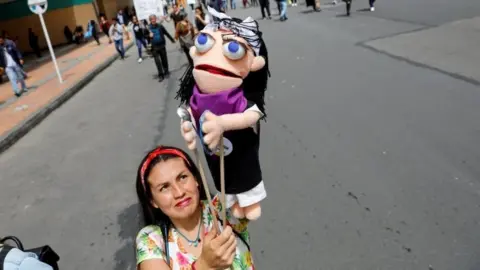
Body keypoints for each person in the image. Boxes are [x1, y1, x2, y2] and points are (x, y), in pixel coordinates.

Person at [135, 146, 255, 269]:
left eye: (182, 177)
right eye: (164, 187)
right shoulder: (151, 239)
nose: (179, 192)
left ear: (196, 179)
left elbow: (242, 169)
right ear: (152, 201)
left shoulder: (221, 210)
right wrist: (205, 265)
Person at [148, 14, 175, 82]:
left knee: (164, 60)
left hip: (162, 46)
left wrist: (172, 39)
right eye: (151, 19)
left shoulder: (160, 26)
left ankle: (166, 72)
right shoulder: (148, 28)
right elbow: (144, 36)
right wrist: (149, 36)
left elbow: (166, 33)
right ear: (150, 20)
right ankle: (161, 75)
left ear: (156, 19)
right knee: (157, 62)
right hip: (154, 47)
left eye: (154, 19)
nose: (153, 20)